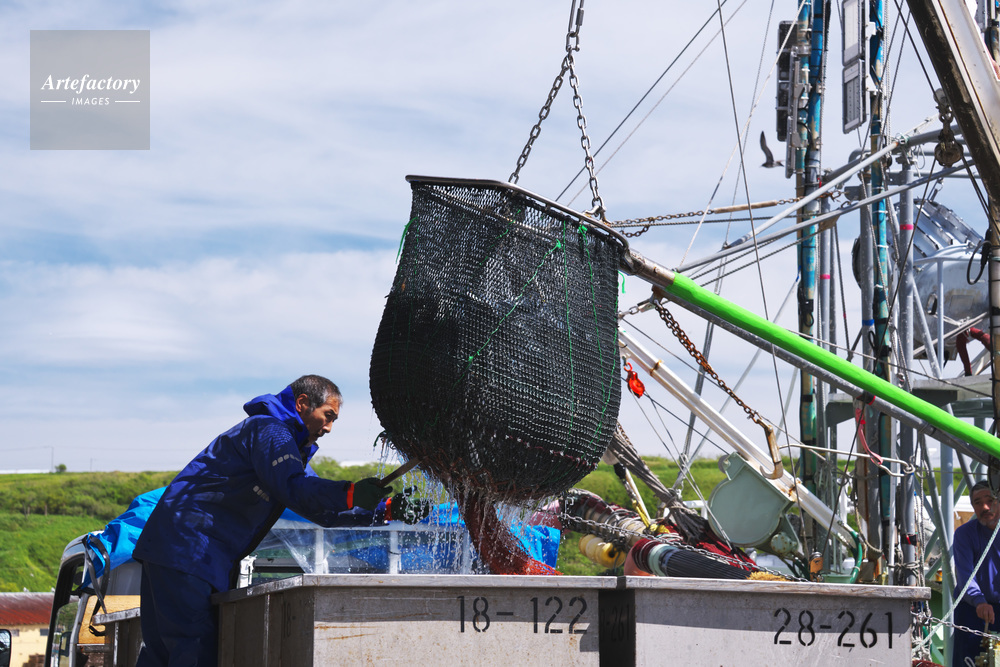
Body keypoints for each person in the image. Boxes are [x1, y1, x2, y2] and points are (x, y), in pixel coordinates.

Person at [132, 375, 418, 667]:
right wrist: (350, 493)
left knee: (160, 654)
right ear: (302, 403)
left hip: (174, 550)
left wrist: (385, 510)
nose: (329, 428)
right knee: (193, 650)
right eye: (328, 416)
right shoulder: (270, 430)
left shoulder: (280, 448)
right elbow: (296, 488)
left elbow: (318, 507)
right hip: (190, 551)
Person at [952, 480, 1000, 667]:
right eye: (978, 503)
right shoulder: (964, 534)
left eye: (990, 500)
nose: (985, 507)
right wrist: (979, 601)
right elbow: (965, 575)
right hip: (973, 610)